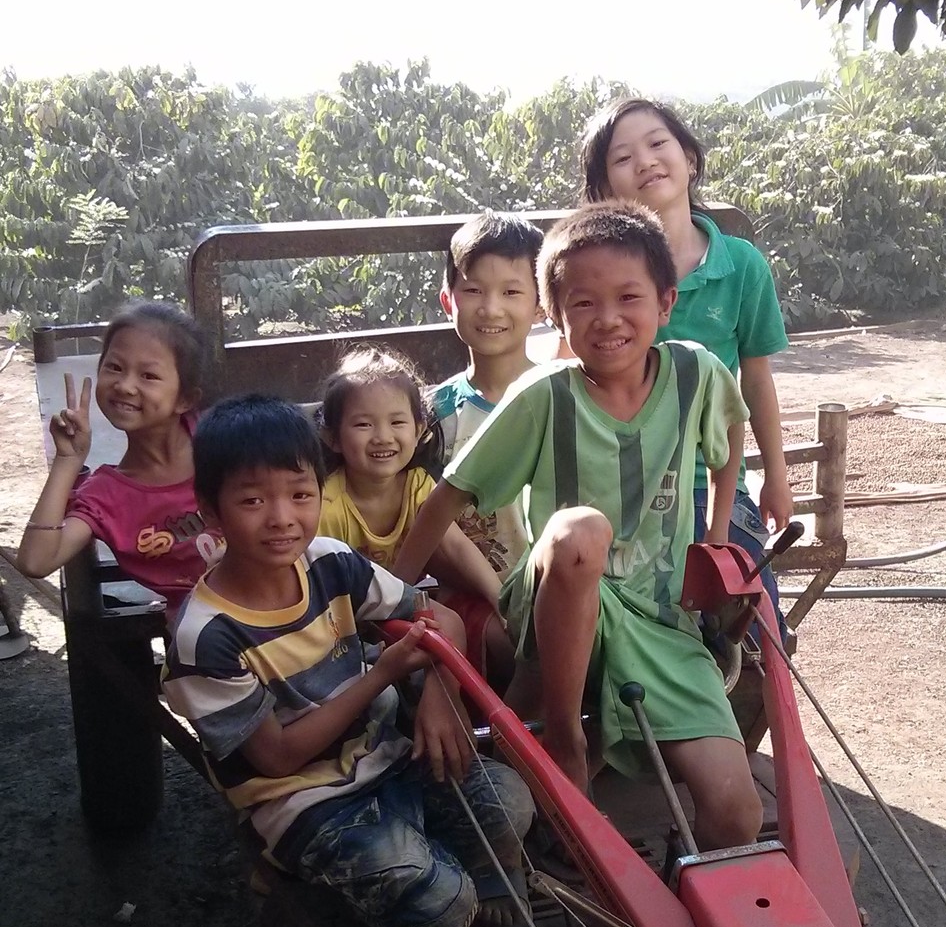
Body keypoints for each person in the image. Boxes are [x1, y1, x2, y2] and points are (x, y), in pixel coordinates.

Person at [394, 201, 763, 852]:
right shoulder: (544, 397)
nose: (609, 318)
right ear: (555, 315)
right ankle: (562, 735)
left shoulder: (695, 373)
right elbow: (445, 500)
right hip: (554, 599)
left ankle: (687, 910)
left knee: (738, 815)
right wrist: (384, 596)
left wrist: (714, 538)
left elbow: (731, 429)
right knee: (580, 532)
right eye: (583, 303)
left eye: (629, 297)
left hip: (660, 618)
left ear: (666, 301)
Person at [163, 394, 534, 927]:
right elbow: (279, 757)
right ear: (211, 509)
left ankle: (419, 872)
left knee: (510, 798)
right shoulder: (205, 635)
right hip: (304, 802)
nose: (283, 517)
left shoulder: (330, 561)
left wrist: (441, 690)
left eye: (300, 493)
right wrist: (384, 673)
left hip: (387, 760)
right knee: (444, 903)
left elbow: (445, 620)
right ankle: (361, 895)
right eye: (254, 500)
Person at [579, 98, 792, 625]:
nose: (646, 161)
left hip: (710, 483)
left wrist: (777, 474)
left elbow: (757, 379)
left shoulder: (740, 265)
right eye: (622, 157)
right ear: (606, 188)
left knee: (754, 617)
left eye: (657, 144)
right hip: (617, 486)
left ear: (689, 157)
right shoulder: (596, 270)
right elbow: (571, 366)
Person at [316, 346, 512, 684]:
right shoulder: (329, 504)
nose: (382, 436)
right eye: (363, 424)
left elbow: (456, 545)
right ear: (333, 438)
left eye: (397, 422)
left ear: (420, 429)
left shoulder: (417, 485)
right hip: (346, 627)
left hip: (402, 611)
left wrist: (501, 602)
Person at [17, 301, 221, 617]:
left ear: (185, 399)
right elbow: (35, 561)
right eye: (114, 367)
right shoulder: (106, 496)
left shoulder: (223, 441)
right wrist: (68, 460)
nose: (125, 386)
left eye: (149, 375)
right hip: (200, 635)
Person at [430, 211, 544, 583]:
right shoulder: (433, 413)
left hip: (558, 591)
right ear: (449, 302)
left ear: (541, 305)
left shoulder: (563, 396)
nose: (491, 308)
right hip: (469, 597)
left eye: (512, 292)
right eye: (474, 290)